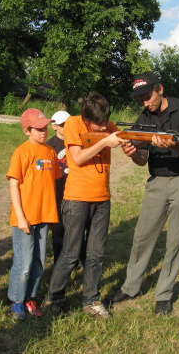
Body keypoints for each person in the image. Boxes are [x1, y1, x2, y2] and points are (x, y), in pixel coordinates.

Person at [106, 71, 179, 315]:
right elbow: (141, 160)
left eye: (147, 96)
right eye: (140, 99)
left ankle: (164, 294)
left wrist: (173, 143)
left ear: (159, 89)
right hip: (157, 181)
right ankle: (131, 287)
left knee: (176, 240)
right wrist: (131, 152)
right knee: (142, 235)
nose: (144, 102)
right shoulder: (144, 116)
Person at [46, 93, 127, 320]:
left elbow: (124, 136)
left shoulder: (106, 124)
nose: (103, 127)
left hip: (103, 198)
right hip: (77, 198)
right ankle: (54, 297)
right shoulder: (73, 123)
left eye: (105, 123)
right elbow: (78, 158)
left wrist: (142, 141)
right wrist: (104, 141)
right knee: (71, 252)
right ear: (85, 117)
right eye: (98, 124)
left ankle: (91, 300)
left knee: (96, 254)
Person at [6, 108, 61, 321]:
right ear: (27, 131)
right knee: (24, 261)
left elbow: (52, 185)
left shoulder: (50, 152)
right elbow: (13, 184)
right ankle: (17, 301)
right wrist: (20, 216)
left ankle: (30, 297)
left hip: (45, 216)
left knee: (38, 260)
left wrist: (53, 214)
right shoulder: (22, 152)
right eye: (38, 128)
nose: (43, 131)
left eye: (45, 127)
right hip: (26, 218)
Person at [46, 110, 72, 264]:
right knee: (58, 229)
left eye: (68, 124)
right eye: (62, 125)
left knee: (75, 229)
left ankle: (76, 259)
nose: (66, 127)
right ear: (54, 126)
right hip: (58, 192)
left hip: (74, 189)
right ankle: (59, 261)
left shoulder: (76, 140)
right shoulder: (50, 146)